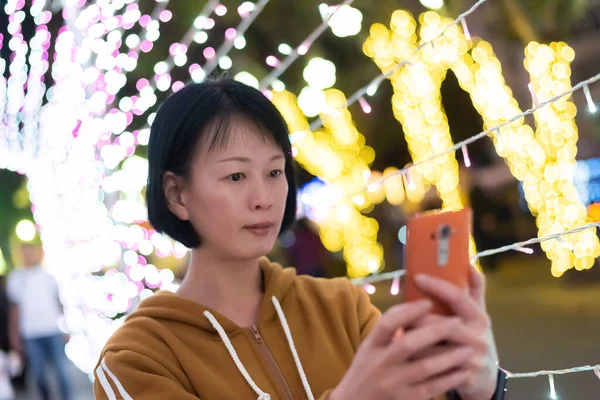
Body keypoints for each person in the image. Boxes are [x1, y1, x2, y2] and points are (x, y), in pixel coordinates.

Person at [94, 79, 506, 399]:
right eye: (235, 176)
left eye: (274, 172)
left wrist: (478, 388)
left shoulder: (342, 308)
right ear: (176, 194)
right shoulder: (138, 359)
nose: (263, 199)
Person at [7, 243, 72, 400]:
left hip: (52, 329)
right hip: (30, 333)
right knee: (39, 374)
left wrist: (66, 327)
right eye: (24, 253)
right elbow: (14, 311)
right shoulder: (16, 278)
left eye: (30, 252)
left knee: (62, 371)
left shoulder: (48, 276)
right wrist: (14, 336)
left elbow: (59, 305)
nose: (28, 256)